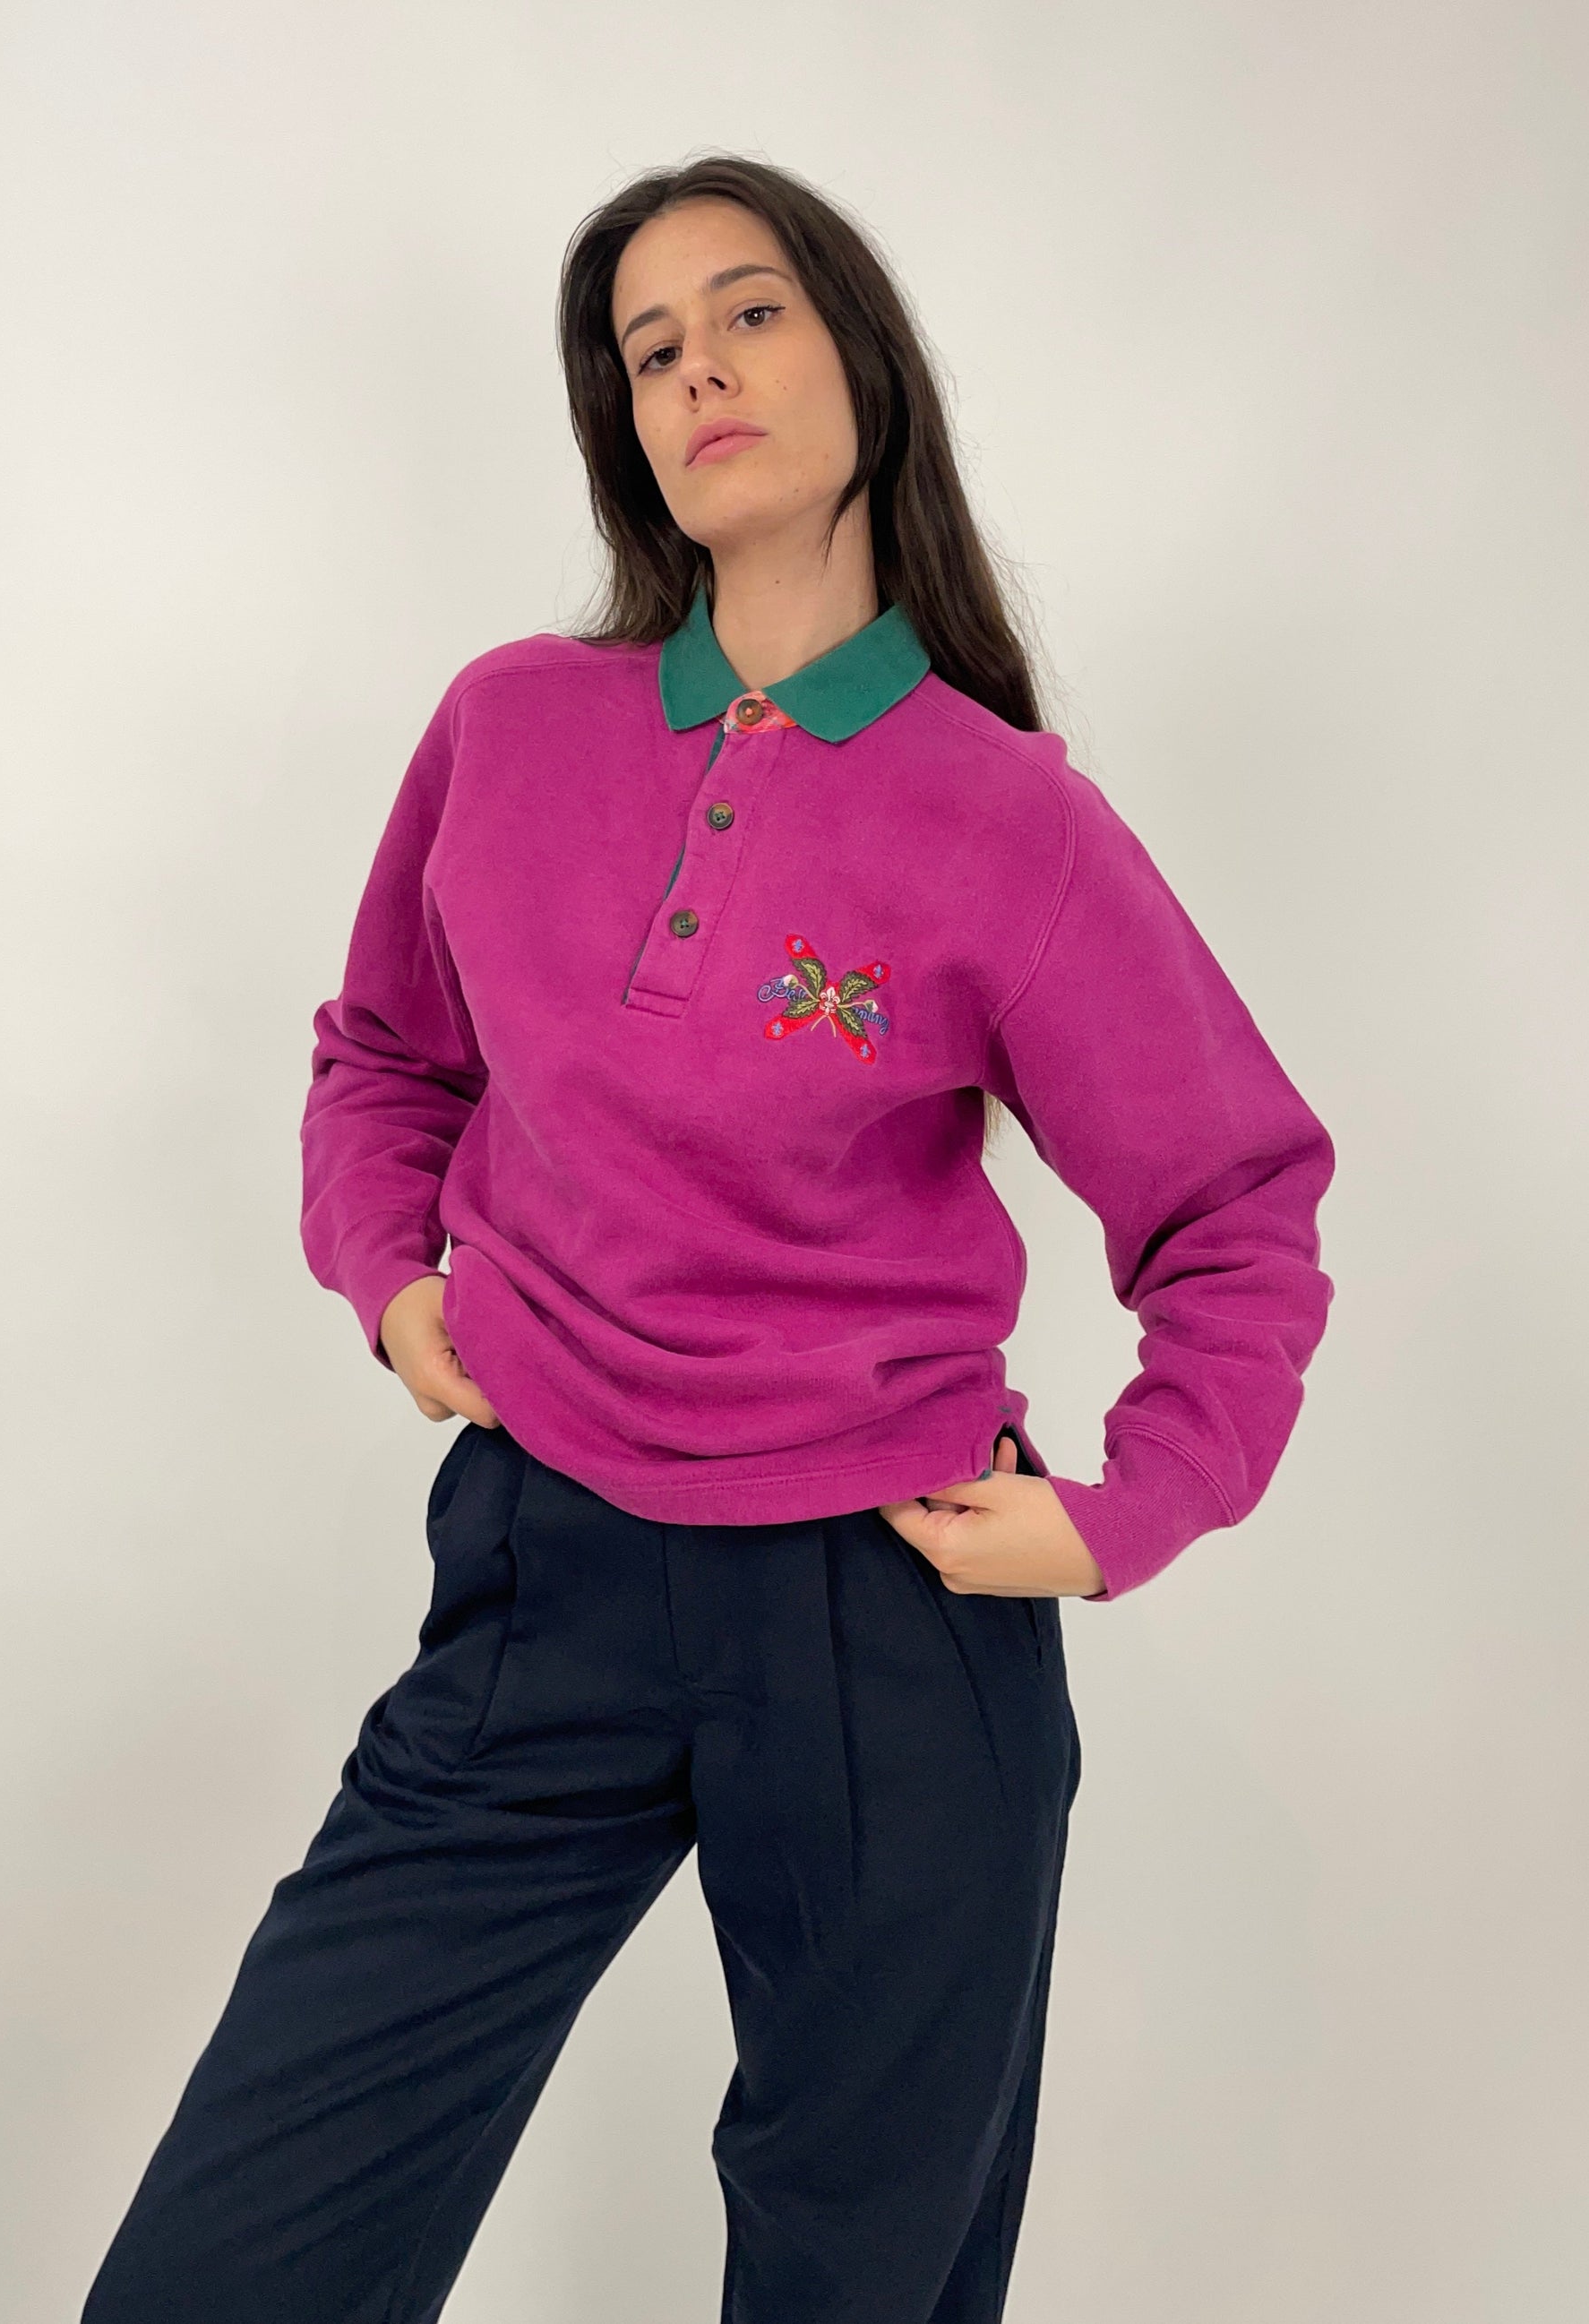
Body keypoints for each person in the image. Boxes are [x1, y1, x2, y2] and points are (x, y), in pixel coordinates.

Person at [82, 154, 1335, 2323]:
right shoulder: (510, 725)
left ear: (861, 363)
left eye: (748, 313)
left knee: (861, 2279)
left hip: (887, 1609)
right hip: (545, 1565)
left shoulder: (1007, 816)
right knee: (234, 2253)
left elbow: (1235, 1201)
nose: (697, 372)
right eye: (647, 348)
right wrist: (393, 1277)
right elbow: (384, 1054)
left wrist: (1127, 1509)